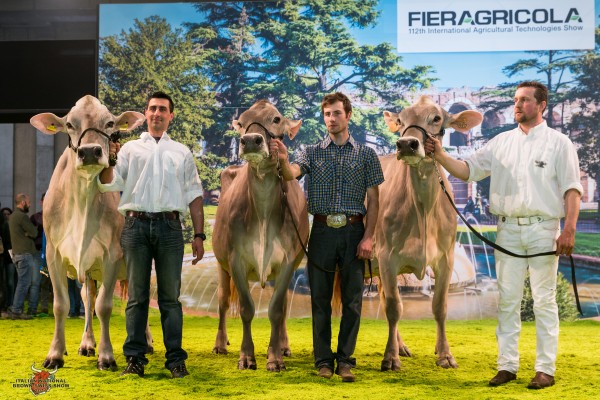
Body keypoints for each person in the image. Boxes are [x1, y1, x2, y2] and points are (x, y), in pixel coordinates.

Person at [424, 81, 582, 390]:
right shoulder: (501, 142)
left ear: (542, 105)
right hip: (507, 229)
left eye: (525, 100)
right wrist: (439, 154)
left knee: (544, 301)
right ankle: (507, 366)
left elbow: (572, 190)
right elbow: (467, 170)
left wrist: (569, 230)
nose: (517, 105)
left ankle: (545, 369)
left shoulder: (559, 143)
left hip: (543, 229)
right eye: (516, 99)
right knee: (508, 301)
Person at [269, 92, 384, 382]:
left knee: (352, 302)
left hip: (354, 232)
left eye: (336, 113)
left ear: (348, 115)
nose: (331, 119)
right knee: (319, 300)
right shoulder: (311, 152)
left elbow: (374, 200)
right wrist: (283, 160)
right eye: (327, 114)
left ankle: (345, 361)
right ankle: (322, 361)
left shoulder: (367, 154)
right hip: (320, 232)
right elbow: (291, 174)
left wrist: (368, 237)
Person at [99, 91, 205, 379]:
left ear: (171, 115)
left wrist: (199, 235)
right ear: (146, 113)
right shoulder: (129, 150)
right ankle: (135, 359)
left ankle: (175, 360)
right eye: (153, 108)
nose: (157, 113)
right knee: (137, 297)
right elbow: (109, 184)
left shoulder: (182, 152)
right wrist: (109, 159)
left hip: (171, 228)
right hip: (135, 227)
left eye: (163, 109)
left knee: (171, 299)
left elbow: (194, 195)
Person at [7, 194, 38, 320]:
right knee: (23, 284)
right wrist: (30, 231)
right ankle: (16, 310)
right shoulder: (22, 216)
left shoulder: (13, 216)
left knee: (21, 283)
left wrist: (27, 233)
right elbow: (34, 233)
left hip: (17, 254)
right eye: (29, 202)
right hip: (25, 254)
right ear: (23, 202)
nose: (30, 204)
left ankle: (16, 309)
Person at [29, 192, 51, 316]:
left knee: (48, 282)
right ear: (41, 202)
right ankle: (33, 308)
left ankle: (45, 307)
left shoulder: (56, 216)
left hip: (52, 254)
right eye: (45, 200)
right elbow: (29, 234)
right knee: (36, 281)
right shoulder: (35, 217)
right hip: (38, 253)